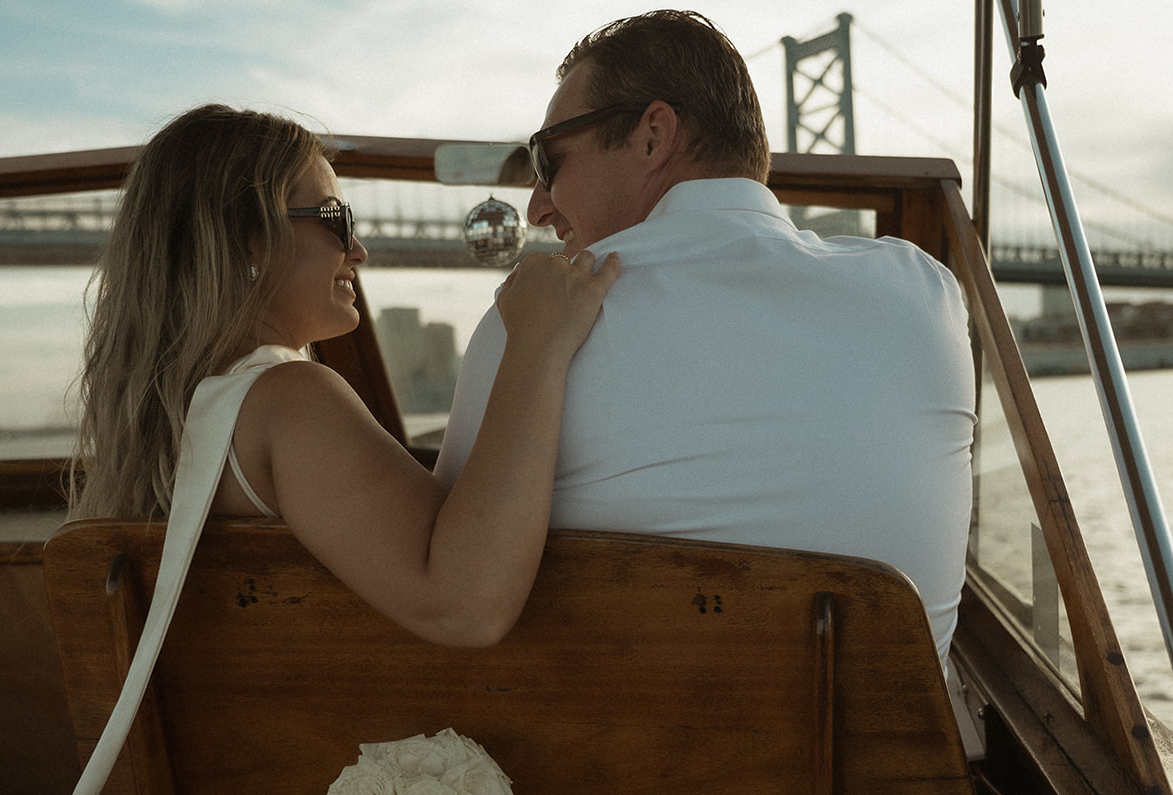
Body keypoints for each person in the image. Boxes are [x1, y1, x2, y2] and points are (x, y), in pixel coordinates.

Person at [435, 11, 976, 670]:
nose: (537, 207)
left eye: (550, 161)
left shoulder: (533, 327)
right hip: (889, 770)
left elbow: (450, 576)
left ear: (653, 135)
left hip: (625, 767)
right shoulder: (928, 298)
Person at [71, 103, 620, 648]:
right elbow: (464, 607)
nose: (358, 250)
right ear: (250, 239)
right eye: (336, 220)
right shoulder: (288, 399)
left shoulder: (170, 419)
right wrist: (537, 341)